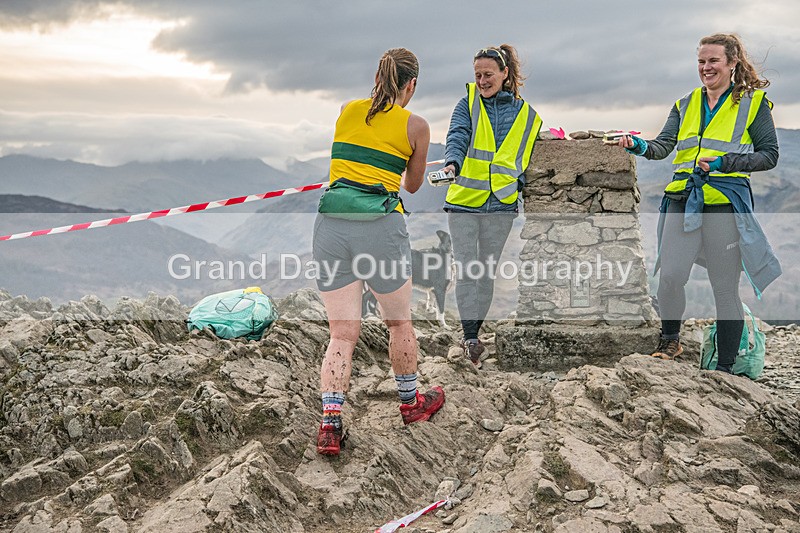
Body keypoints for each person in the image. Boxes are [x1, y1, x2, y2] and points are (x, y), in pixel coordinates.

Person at [619, 33, 780, 373]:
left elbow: (769, 155)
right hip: (683, 198)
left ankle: (726, 366)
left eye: (713, 61)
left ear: (732, 63)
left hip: (724, 203)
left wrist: (724, 163)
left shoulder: (753, 103)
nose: (706, 67)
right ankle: (670, 341)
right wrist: (638, 145)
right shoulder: (685, 103)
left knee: (724, 287)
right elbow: (663, 146)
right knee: (671, 275)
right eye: (701, 61)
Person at [312, 48, 445, 456]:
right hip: (380, 228)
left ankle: (330, 425)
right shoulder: (416, 126)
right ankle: (410, 404)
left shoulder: (346, 110)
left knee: (341, 333)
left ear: (377, 76)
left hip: (331, 226)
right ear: (412, 85)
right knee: (398, 323)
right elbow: (413, 185)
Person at [441, 44, 542, 368]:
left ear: (504, 73)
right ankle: (470, 337)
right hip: (464, 202)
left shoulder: (526, 115)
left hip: (501, 204)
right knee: (467, 270)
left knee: (485, 273)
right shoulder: (467, 103)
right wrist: (452, 164)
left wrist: (518, 184)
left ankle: (475, 332)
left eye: (488, 74)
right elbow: (457, 136)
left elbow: (525, 156)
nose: (482, 81)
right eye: (477, 75)